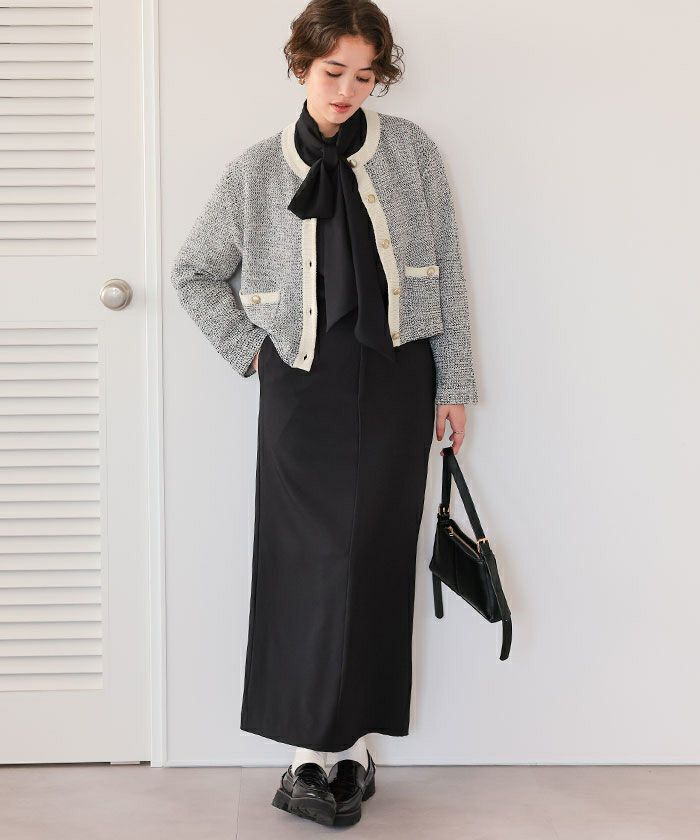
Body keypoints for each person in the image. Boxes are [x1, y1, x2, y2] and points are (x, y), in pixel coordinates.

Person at [170, 0, 478, 828]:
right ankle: (309, 752)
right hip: (302, 386)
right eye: (333, 70)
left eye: (364, 75)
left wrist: (455, 383)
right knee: (302, 560)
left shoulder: (411, 151)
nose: (346, 89)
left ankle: (355, 750)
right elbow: (194, 272)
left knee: (372, 557)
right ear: (301, 65)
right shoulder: (253, 170)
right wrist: (253, 353)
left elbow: (446, 268)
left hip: (397, 382)